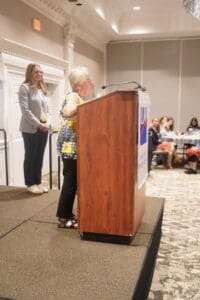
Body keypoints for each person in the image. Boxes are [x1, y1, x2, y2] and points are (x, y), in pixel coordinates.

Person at [56, 66, 93, 229]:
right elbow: (69, 110)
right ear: (78, 84)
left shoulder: (77, 96)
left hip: (74, 146)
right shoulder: (73, 96)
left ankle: (67, 215)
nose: (91, 83)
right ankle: (64, 218)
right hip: (71, 147)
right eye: (88, 81)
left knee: (72, 182)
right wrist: (82, 108)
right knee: (71, 182)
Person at [18, 63, 51, 194]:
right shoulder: (24, 88)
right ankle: (30, 183)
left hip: (43, 128)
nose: (39, 74)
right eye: (36, 72)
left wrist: (48, 123)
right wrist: (39, 124)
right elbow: (25, 110)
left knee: (39, 156)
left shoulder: (41, 89)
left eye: (41, 72)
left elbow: (47, 110)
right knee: (30, 156)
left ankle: (37, 182)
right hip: (30, 129)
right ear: (30, 73)